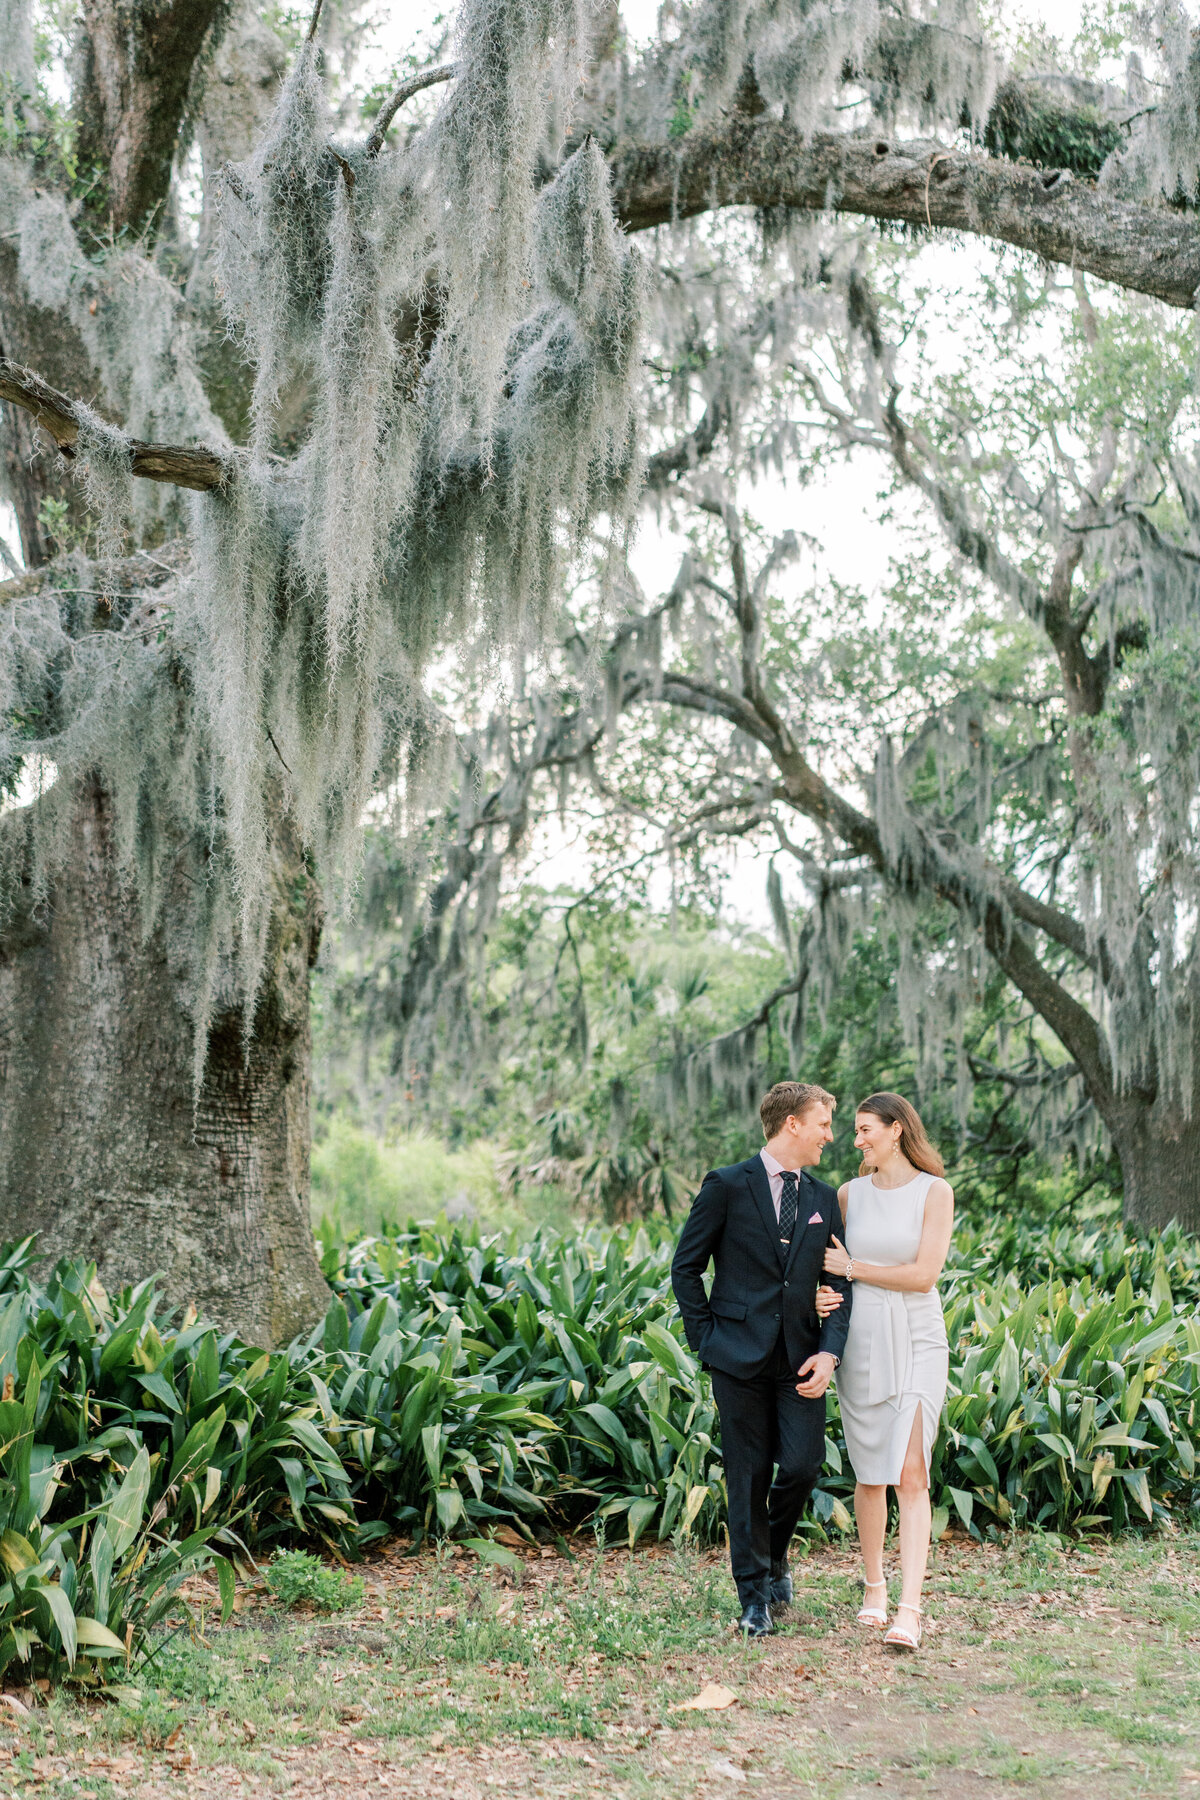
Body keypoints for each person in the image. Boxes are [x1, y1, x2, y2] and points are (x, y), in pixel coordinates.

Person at [670, 1082, 853, 1638]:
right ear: (792, 1124)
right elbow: (686, 1267)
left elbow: (839, 1283)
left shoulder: (823, 1198)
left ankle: (773, 1554)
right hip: (737, 1358)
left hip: (801, 1359)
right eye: (823, 1123)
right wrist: (707, 1342)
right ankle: (754, 1599)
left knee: (802, 1466)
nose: (830, 1134)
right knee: (746, 1477)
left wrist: (830, 1351)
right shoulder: (726, 1184)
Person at [819, 1092, 954, 1651]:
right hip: (864, 1340)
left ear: (897, 1130)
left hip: (919, 1338)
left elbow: (924, 1275)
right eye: (853, 1130)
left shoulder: (935, 1192)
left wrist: (853, 1268)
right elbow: (824, 1270)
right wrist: (822, 1297)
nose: (856, 1140)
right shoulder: (850, 1196)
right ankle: (873, 1587)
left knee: (911, 1472)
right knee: (870, 1473)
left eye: (866, 1129)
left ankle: (910, 1607)